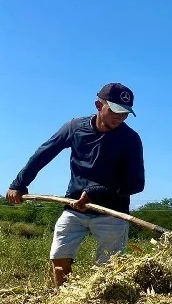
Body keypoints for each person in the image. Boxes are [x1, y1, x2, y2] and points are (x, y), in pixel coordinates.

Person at [5, 83, 145, 287]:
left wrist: (97, 192)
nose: (120, 117)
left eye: (125, 113)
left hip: (111, 212)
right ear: (99, 105)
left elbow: (136, 183)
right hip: (74, 206)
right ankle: (64, 298)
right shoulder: (75, 127)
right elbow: (44, 153)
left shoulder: (130, 139)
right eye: (115, 111)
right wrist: (19, 183)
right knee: (59, 254)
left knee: (109, 268)